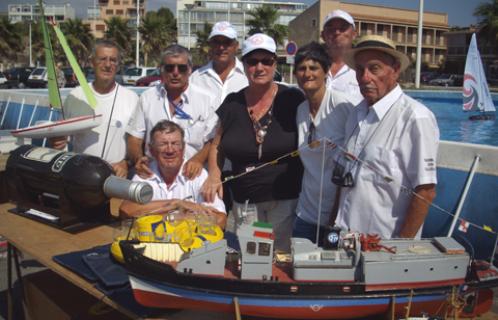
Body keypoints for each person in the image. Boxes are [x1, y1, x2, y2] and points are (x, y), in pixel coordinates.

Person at [202, 33, 305, 252]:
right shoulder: (232, 103)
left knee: (279, 257)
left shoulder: (293, 98)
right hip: (245, 200)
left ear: (274, 64)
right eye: (252, 61)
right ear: (245, 64)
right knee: (251, 256)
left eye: (266, 61)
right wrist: (214, 174)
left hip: (284, 199)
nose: (259, 67)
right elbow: (217, 144)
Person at [334, 35, 439, 239]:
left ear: (396, 70)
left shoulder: (415, 117)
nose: (365, 78)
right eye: (360, 70)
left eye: (374, 68)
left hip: (383, 247)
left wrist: (399, 251)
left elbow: (425, 192)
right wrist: (332, 226)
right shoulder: (355, 115)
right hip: (344, 238)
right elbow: (344, 176)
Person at [291, 42, 354, 244]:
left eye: (313, 67)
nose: (307, 73)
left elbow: (351, 161)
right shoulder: (300, 110)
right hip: (305, 213)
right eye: (301, 68)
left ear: (326, 71)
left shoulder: (342, 105)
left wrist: (334, 216)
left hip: (336, 217)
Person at [126, 45, 218, 179]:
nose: (175, 73)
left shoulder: (208, 99)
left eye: (181, 68)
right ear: (161, 70)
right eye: (169, 68)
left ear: (190, 70)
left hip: (192, 176)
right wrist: (138, 159)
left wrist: (198, 159)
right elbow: (134, 137)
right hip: (153, 175)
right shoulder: (147, 98)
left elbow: (213, 139)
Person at [50, 40, 138, 178]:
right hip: (81, 177)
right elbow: (62, 138)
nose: (108, 65)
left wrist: (126, 164)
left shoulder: (132, 99)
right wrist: (57, 142)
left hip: (117, 177)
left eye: (113, 60)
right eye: (102, 59)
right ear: (92, 62)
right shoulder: (75, 96)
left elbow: (138, 143)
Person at [120, 120, 226, 228]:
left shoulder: (198, 175)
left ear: (183, 148)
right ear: (151, 150)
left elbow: (220, 220)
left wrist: (175, 217)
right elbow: (126, 210)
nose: (170, 150)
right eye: (163, 144)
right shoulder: (144, 174)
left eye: (175, 144)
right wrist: (175, 204)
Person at [190, 21, 248, 109]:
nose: (221, 47)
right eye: (216, 42)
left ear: (236, 46)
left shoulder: (248, 76)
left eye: (227, 42)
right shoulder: (195, 78)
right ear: (210, 45)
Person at [321, 9, 363, 104]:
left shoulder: (362, 69)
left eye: (343, 28)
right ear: (323, 35)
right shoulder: (315, 66)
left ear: (354, 34)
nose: (337, 32)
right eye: (331, 29)